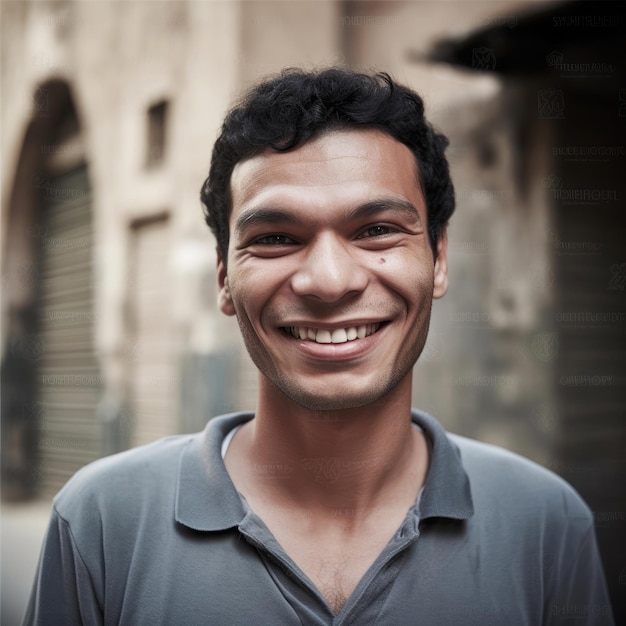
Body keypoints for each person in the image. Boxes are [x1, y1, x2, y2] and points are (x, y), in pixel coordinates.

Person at [24, 68, 614, 625]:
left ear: (438, 258)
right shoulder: (101, 523)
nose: (330, 281)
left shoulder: (546, 524)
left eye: (377, 230)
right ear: (225, 278)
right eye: (277, 238)